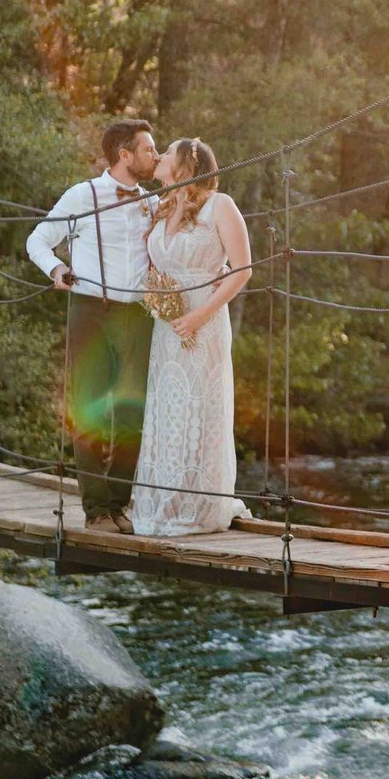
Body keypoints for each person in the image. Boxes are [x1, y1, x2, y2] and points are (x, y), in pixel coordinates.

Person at [26, 119, 160, 525]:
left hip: (138, 316)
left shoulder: (153, 201)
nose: (155, 156)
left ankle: (117, 505)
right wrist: (55, 270)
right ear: (125, 155)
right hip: (90, 311)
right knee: (88, 412)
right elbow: (37, 240)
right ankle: (96, 510)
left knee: (132, 416)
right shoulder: (82, 195)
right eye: (149, 149)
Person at [130, 137, 251, 536]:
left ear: (185, 163)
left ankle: (201, 505)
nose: (159, 157)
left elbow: (242, 270)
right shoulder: (162, 206)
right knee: (169, 409)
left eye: (166, 152)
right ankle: (168, 499)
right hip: (167, 327)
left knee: (200, 405)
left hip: (205, 320)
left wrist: (198, 317)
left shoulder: (221, 205)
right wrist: (158, 301)